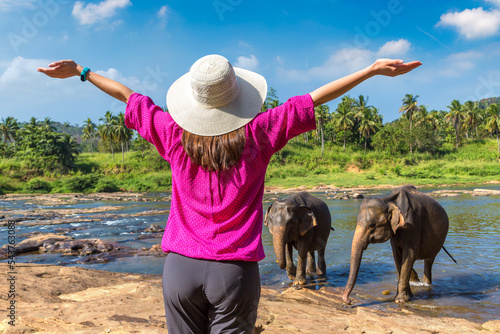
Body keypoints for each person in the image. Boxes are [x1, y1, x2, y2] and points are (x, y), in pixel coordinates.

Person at [38, 55, 421, 333]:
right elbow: (312, 99)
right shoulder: (259, 135)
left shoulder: (172, 134)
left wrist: (81, 72)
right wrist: (370, 70)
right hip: (234, 272)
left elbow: (127, 95)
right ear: (239, 98)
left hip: (180, 270)